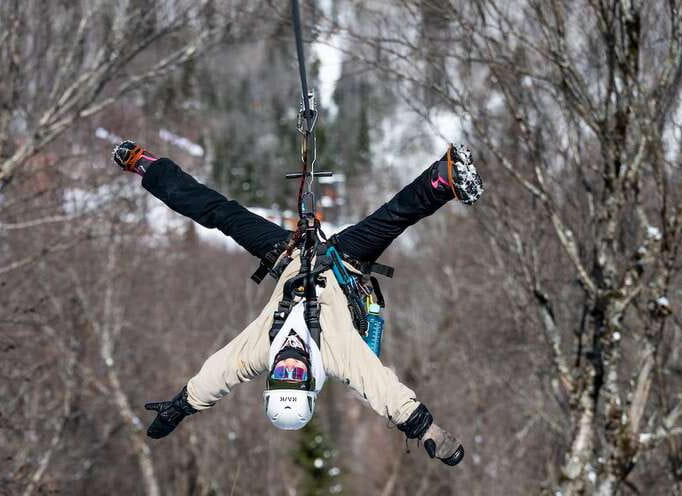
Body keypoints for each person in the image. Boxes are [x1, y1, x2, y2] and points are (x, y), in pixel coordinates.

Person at [112, 139, 483, 467]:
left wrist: (180, 406)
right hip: (342, 265)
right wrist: (430, 431)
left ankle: (146, 164)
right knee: (391, 218)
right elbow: (383, 391)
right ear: (310, 383)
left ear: (271, 377)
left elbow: (216, 376)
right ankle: (445, 175)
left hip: (289, 259)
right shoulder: (335, 352)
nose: (290, 364)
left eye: (281, 375)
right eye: (297, 376)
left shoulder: (262, 348)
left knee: (220, 213)